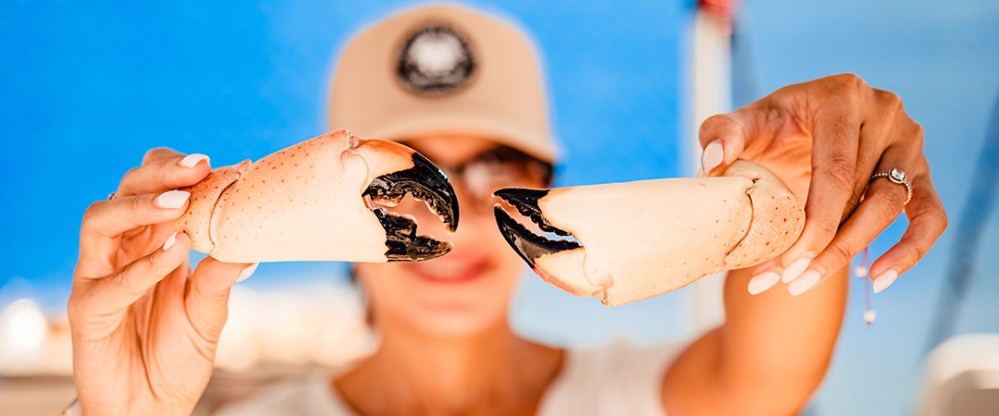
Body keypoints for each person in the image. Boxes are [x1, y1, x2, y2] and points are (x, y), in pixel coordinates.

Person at [66, 4, 947, 415]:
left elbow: (766, 375)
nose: (455, 219)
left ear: (545, 182)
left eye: (496, 168)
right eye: (410, 184)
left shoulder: (639, 398)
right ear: (320, 211)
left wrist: (808, 181)